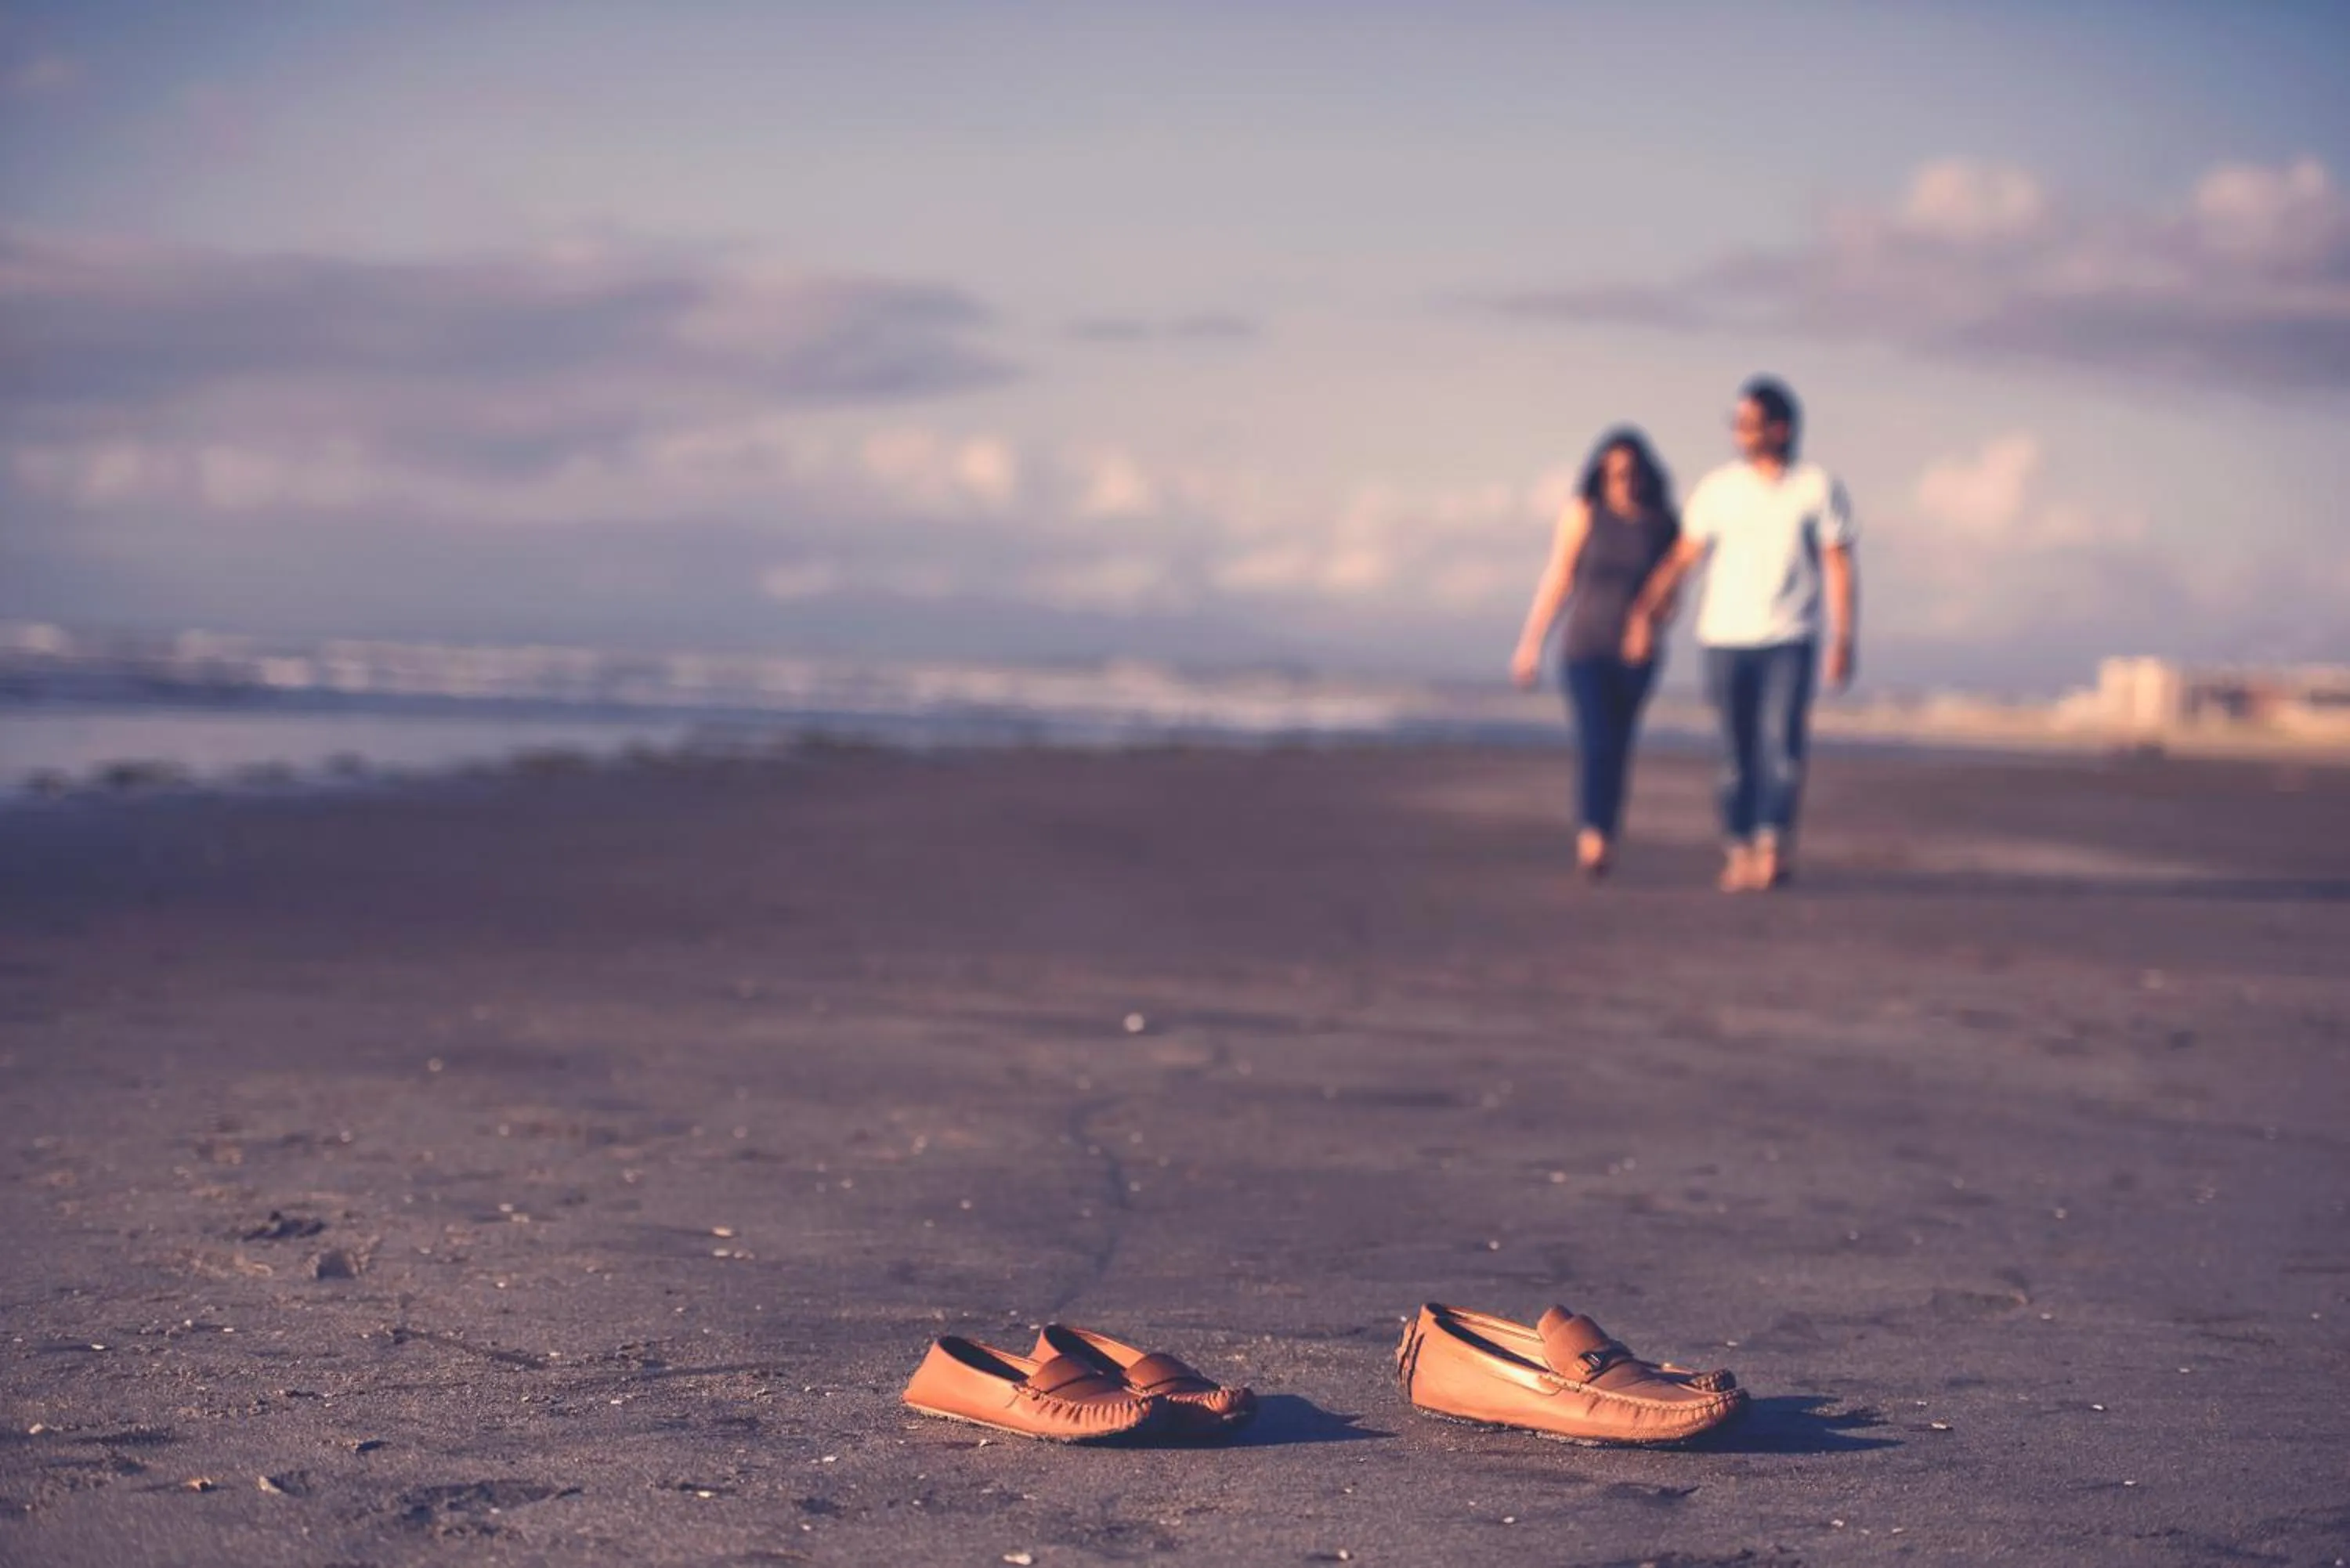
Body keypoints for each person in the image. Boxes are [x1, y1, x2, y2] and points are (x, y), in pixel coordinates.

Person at [1622, 377, 1857, 892]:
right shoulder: (1718, 489)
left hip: (1789, 638)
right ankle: (1738, 848)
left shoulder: (1816, 486)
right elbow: (1685, 556)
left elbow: (1838, 563)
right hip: (1724, 638)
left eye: (1750, 424)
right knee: (1733, 751)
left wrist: (1843, 639)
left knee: (1781, 747)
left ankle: (1772, 845)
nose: (1740, 433)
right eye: (1736, 424)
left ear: (1781, 428)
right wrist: (1645, 611)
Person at [1510, 427, 1682, 878]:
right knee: (1596, 740)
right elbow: (1559, 577)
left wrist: (1650, 621)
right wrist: (1531, 644)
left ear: (1645, 473)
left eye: (1629, 472)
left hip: (1636, 656)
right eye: (1613, 473)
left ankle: (1606, 826)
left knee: (1619, 745)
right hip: (1584, 646)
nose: (1622, 481)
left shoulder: (1662, 523)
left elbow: (1673, 591)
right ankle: (1593, 836)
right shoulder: (1584, 514)